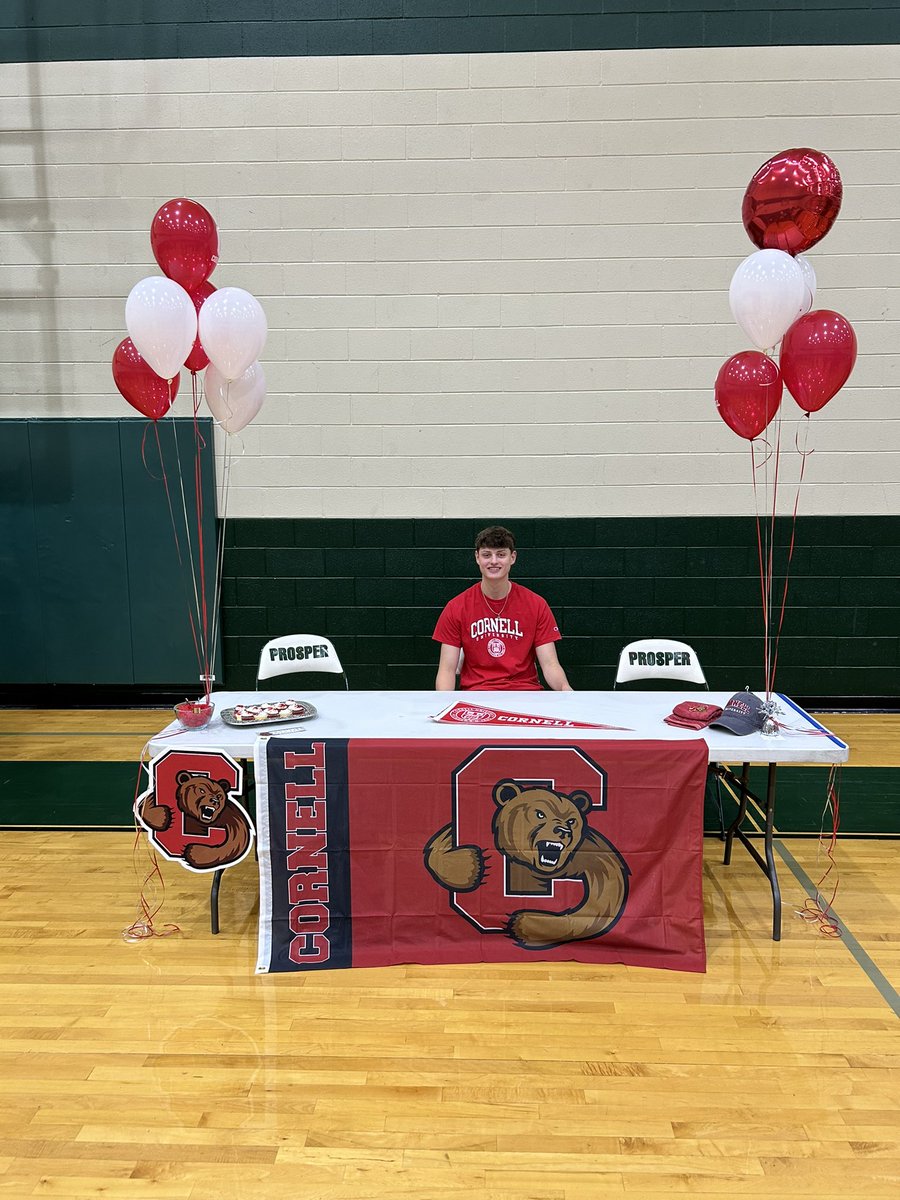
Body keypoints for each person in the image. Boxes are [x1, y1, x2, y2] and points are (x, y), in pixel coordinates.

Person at [433, 525, 572, 692]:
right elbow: (447, 670)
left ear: (512, 557)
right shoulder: (456, 607)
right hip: (477, 696)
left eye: (501, 555)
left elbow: (550, 665)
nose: (493, 561)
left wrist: (566, 691)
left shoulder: (536, 604)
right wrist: (442, 703)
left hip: (526, 694)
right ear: (477, 557)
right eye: (486, 555)